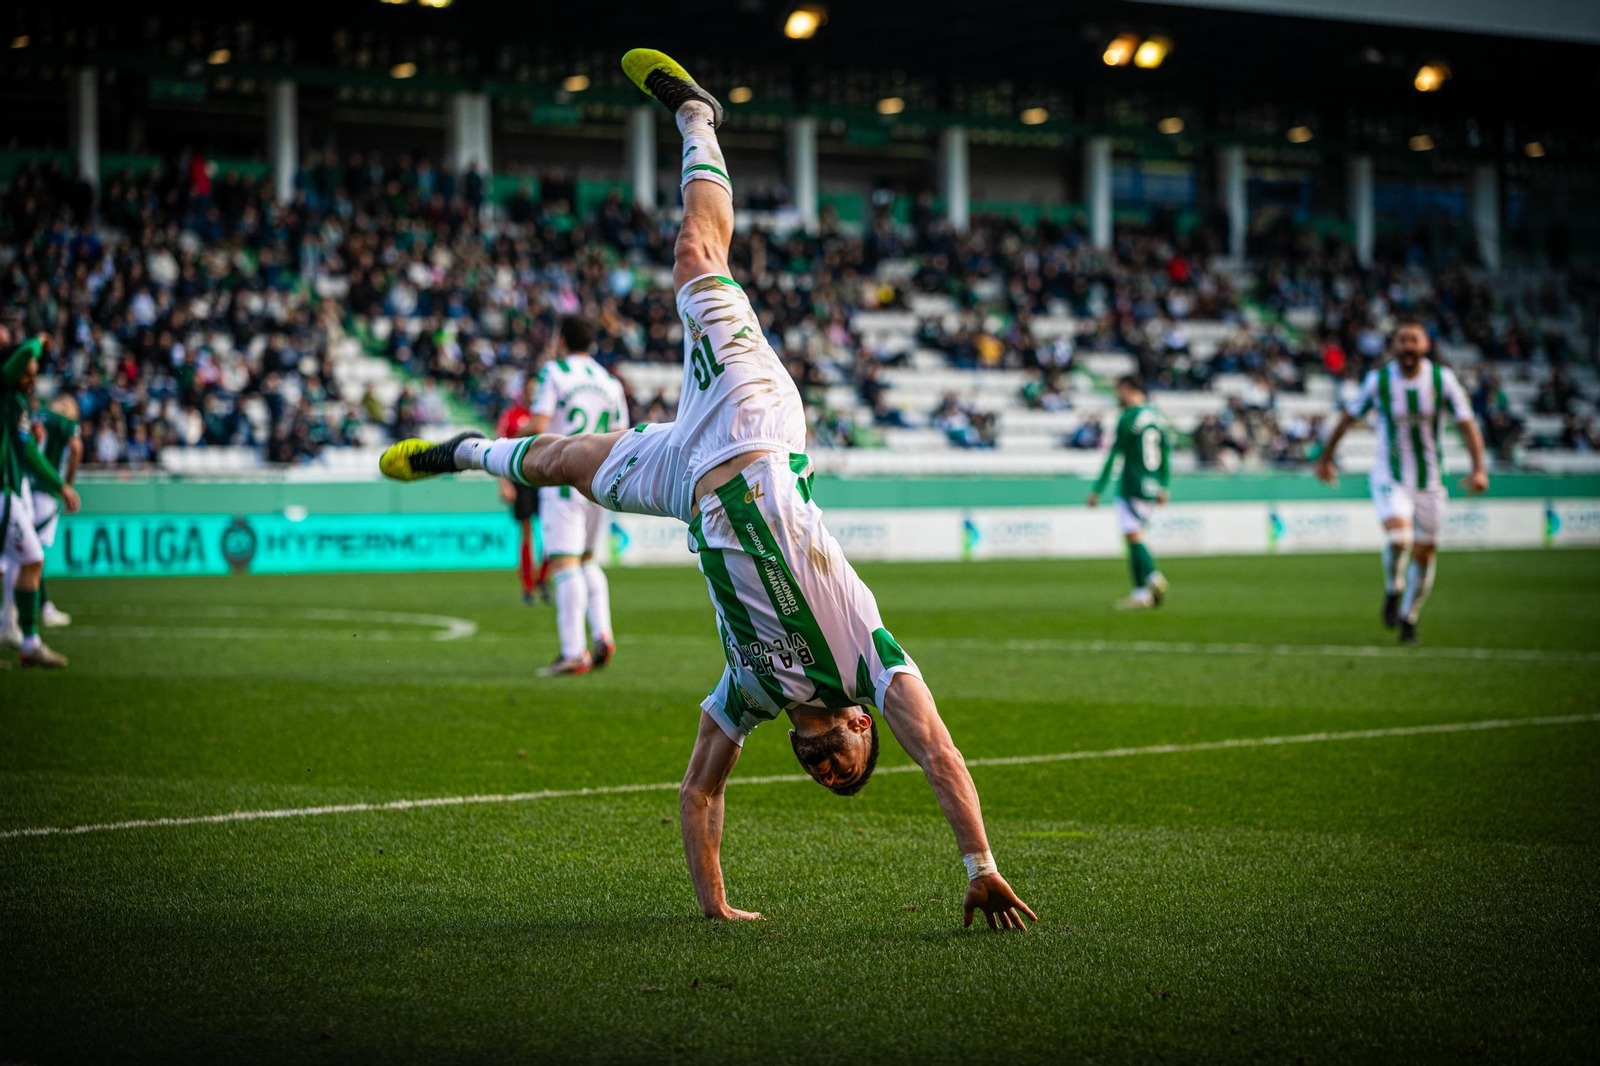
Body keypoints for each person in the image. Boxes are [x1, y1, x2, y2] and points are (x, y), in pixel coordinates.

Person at [379, 50, 1035, 930]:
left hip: (691, 478)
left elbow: (697, 790)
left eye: (819, 774)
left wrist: (715, 905)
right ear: (861, 727)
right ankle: (698, 117)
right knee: (695, 257)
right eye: (841, 760)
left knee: (568, 463)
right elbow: (943, 754)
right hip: (756, 426)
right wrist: (979, 863)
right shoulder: (866, 657)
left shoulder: (752, 692)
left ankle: (461, 453)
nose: (823, 765)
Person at [1315, 319, 1489, 644]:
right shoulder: (1378, 381)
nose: (1408, 346)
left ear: (1426, 345)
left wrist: (1479, 468)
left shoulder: (1442, 379)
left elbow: (1467, 423)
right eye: (1402, 340)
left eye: (1414, 340)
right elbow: (1347, 419)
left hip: (1430, 481)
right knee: (1399, 539)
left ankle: (1409, 617)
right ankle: (1393, 587)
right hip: (1389, 476)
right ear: (1393, 346)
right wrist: (1325, 459)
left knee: (1425, 554)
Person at [525, 315, 628, 676]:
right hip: (599, 481)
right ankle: (602, 633)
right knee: (587, 561)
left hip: (563, 478)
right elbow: (621, 435)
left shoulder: (553, 373)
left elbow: (538, 425)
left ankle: (574, 652)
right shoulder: (609, 381)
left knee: (564, 566)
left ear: (562, 339)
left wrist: (511, 445)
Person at [0, 330, 81, 668]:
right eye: (29, 371)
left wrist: (59, 484)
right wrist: (37, 342)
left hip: (13, 492)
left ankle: (18, 632)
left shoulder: (16, 403)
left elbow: (29, 452)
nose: (33, 378)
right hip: (4, 493)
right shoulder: (4, 389)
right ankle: (29, 641)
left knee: (21, 562)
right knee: (31, 558)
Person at [1086, 376, 1171, 610]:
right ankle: (1141, 593)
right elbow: (1166, 452)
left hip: (1132, 483)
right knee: (1134, 535)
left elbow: (1115, 454)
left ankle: (1153, 577)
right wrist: (1164, 484)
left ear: (1127, 389)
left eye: (1119, 391)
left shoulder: (1128, 417)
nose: (1117, 396)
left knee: (1133, 535)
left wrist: (1097, 489)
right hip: (1153, 485)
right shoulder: (1158, 417)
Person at [494, 376, 549, 606]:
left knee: (553, 530)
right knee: (527, 533)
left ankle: (543, 579)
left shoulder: (548, 417)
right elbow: (498, 448)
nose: (533, 394)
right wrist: (503, 483)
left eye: (537, 391)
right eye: (530, 390)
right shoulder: (512, 416)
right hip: (521, 480)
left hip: (547, 478)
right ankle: (528, 587)